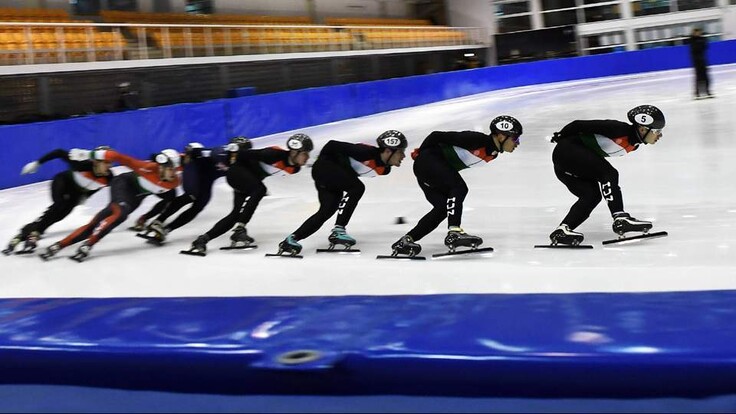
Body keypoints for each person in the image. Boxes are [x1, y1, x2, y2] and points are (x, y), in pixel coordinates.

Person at [391, 116, 523, 256]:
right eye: (515, 138)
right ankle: (454, 233)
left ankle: (405, 241)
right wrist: (421, 153)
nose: (517, 143)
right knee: (459, 187)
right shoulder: (476, 140)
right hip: (428, 161)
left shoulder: (493, 154)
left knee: (443, 209)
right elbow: (435, 136)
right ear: (502, 136)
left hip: (428, 169)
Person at [547, 105, 665, 246]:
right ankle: (620, 218)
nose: (660, 135)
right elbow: (578, 125)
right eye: (657, 131)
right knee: (609, 173)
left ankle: (562, 230)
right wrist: (561, 135)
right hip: (567, 150)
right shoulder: (618, 129)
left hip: (564, 166)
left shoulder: (634, 145)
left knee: (591, 196)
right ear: (642, 128)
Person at [278, 130, 407, 255]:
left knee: (326, 211)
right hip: (325, 168)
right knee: (357, 187)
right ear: (388, 150)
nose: (403, 156)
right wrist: (324, 162)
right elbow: (331, 144)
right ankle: (339, 230)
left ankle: (291, 240)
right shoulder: (366, 152)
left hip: (331, 177)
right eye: (401, 152)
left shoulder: (384, 170)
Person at [39, 148, 181, 262]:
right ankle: (88, 245)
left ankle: (59, 245)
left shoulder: (175, 180)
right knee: (121, 213)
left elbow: (188, 158)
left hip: (136, 197)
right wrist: (89, 153)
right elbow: (118, 156)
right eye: (170, 169)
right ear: (161, 167)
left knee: (101, 219)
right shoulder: (146, 168)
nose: (173, 174)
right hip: (124, 184)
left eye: (175, 170)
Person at [183, 133, 313, 256]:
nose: (307, 157)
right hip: (237, 173)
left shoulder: (294, 168)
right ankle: (240, 229)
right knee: (260, 190)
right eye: (305, 154)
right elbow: (241, 154)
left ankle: (202, 240)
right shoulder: (272, 154)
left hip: (248, 181)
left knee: (235, 214)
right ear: (294, 151)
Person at [133, 137, 251, 243]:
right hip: (195, 168)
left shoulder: (243, 163)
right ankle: (159, 221)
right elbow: (197, 151)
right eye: (241, 153)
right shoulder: (220, 153)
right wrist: (190, 153)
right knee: (191, 194)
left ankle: (166, 229)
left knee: (199, 205)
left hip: (208, 178)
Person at [3, 146, 114, 255]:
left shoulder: (109, 177)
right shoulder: (81, 164)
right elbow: (59, 152)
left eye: (110, 163)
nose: (109, 166)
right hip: (62, 182)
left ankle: (34, 232)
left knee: (61, 214)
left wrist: (87, 196)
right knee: (59, 205)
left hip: (76, 193)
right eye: (106, 163)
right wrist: (38, 163)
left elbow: (100, 187)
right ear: (95, 162)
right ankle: (32, 232)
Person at [687, 28, 712, 100]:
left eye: (699, 32)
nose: (698, 33)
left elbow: (705, 46)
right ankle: (697, 93)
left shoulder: (702, 39)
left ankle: (707, 91)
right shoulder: (692, 40)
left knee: (706, 78)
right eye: (696, 32)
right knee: (698, 78)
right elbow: (695, 48)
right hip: (696, 62)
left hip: (703, 61)